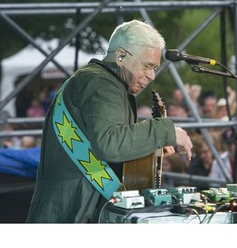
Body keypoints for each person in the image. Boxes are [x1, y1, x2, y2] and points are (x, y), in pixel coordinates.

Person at [26, 20, 193, 223]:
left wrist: (150, 145)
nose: (151, 76)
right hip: (73, 211)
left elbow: (104, 143)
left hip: (73, 207)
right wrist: (167, 131)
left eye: (155, 68)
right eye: (147, 66)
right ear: (121, 56)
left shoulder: (103, 81)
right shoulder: (101, 83)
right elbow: (109, 143)